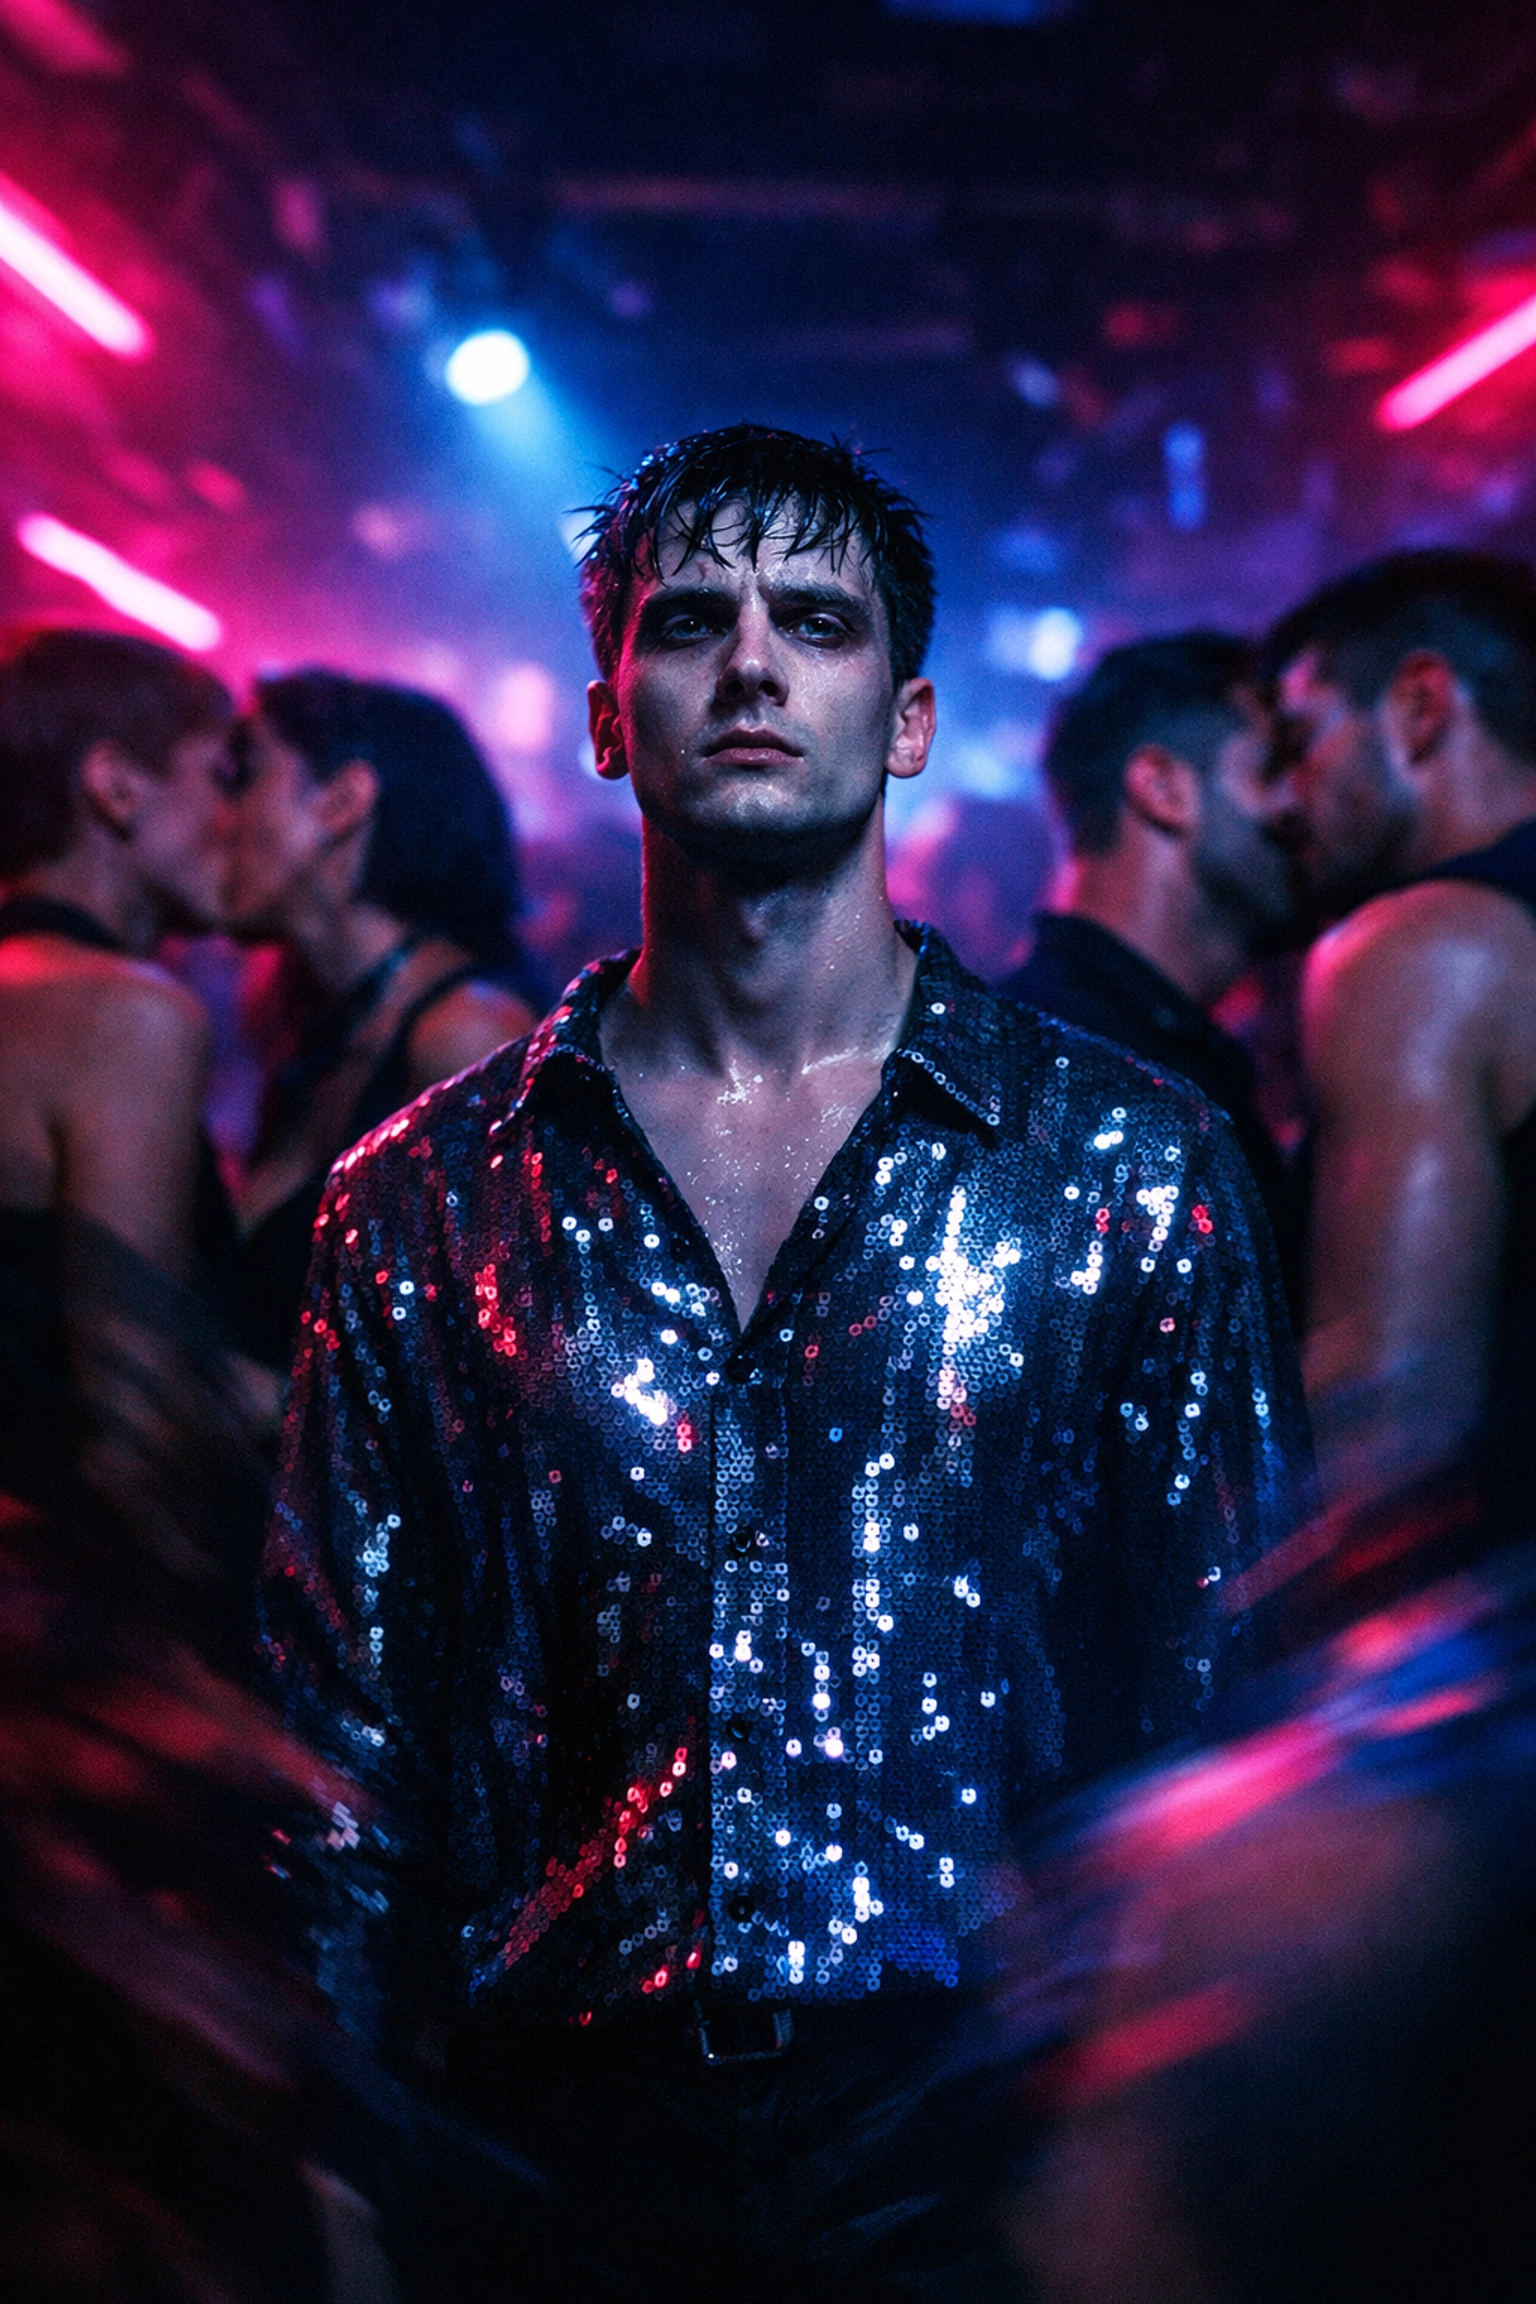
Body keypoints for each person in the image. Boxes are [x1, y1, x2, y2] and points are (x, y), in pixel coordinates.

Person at [260, 423, 1306, 2303]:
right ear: (607, 714)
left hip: (989, 2143)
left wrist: (1196, 2148)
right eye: (691, 621)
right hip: (548, 2152)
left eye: (813, 621)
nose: (750, 662)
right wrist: (326, 2175)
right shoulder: (417, 1194)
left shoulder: (1131, 1165)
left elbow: (1224, 1694)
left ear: (905, 719)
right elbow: (341, 1746)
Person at [1261, 551, 1536, 1535]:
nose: (1285, 802)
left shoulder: (1419, 949)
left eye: (1302, 741)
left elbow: (1388, 1427)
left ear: (1420, 705)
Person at [225, 673, 545, 1378]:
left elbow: (512, 1381)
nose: (221, 814)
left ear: (341, 801)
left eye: (244, 777)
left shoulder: (466, 1038)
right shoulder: (317, 1031)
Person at [0, 624, 240, 1516]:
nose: (235, 818)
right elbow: (132, 1423)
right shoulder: (125, 1014)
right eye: (219, 777)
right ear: (115, 786)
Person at [999, 633, 1304, 1316]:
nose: (1299, 804)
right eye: (1272, 768)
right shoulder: (1056, 1074)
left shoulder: (1162, 1051)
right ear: (1163, 787)